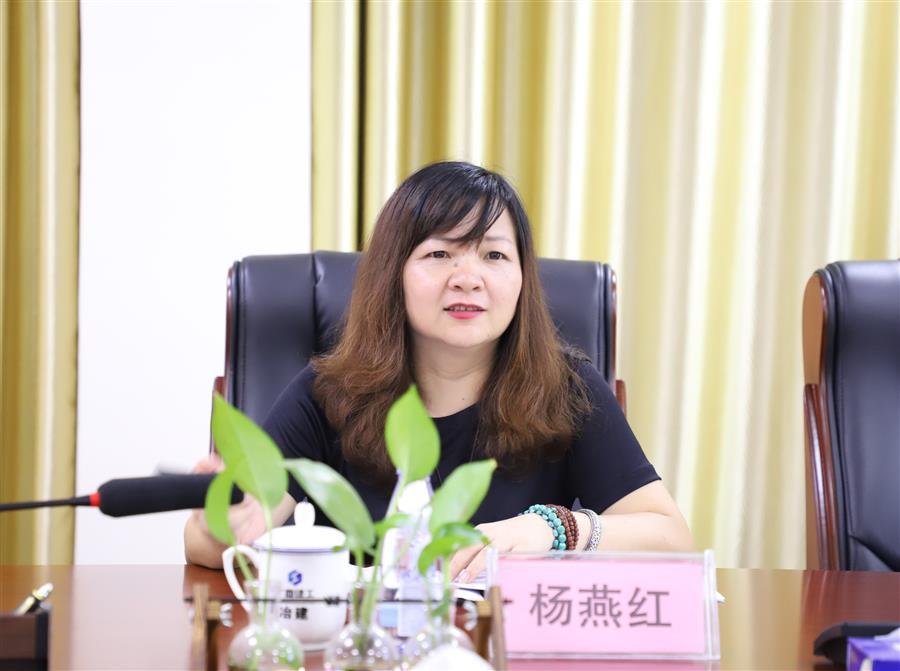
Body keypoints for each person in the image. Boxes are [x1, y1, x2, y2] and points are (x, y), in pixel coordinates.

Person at [184, 161, 692, 578]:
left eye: (494, 254)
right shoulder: (329, 391)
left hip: (506, 648)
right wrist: (224, 527)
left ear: (522, 279)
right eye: (440, 253)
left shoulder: (566, 388)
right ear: (393, 275)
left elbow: (671, 539)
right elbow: (210, 544)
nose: (467, 278)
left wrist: (552, 529)